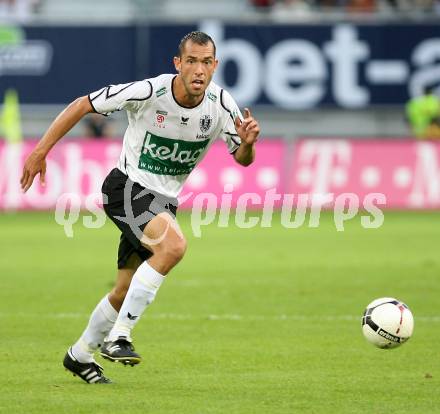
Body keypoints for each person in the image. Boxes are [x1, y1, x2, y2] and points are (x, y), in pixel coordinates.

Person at [20, 31, 260, 384]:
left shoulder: (222, 105)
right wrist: (41, 150)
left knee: (123, 290)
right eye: (191, 61)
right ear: (177, 63)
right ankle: (119, 337)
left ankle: (80, 354)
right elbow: (83, 103)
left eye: (206, 62)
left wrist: (249, 144)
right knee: (174, 246)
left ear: (215, 66)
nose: (198, 70)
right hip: (126, 188)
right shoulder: (150, 92)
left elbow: (242, 158)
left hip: (163, 202)